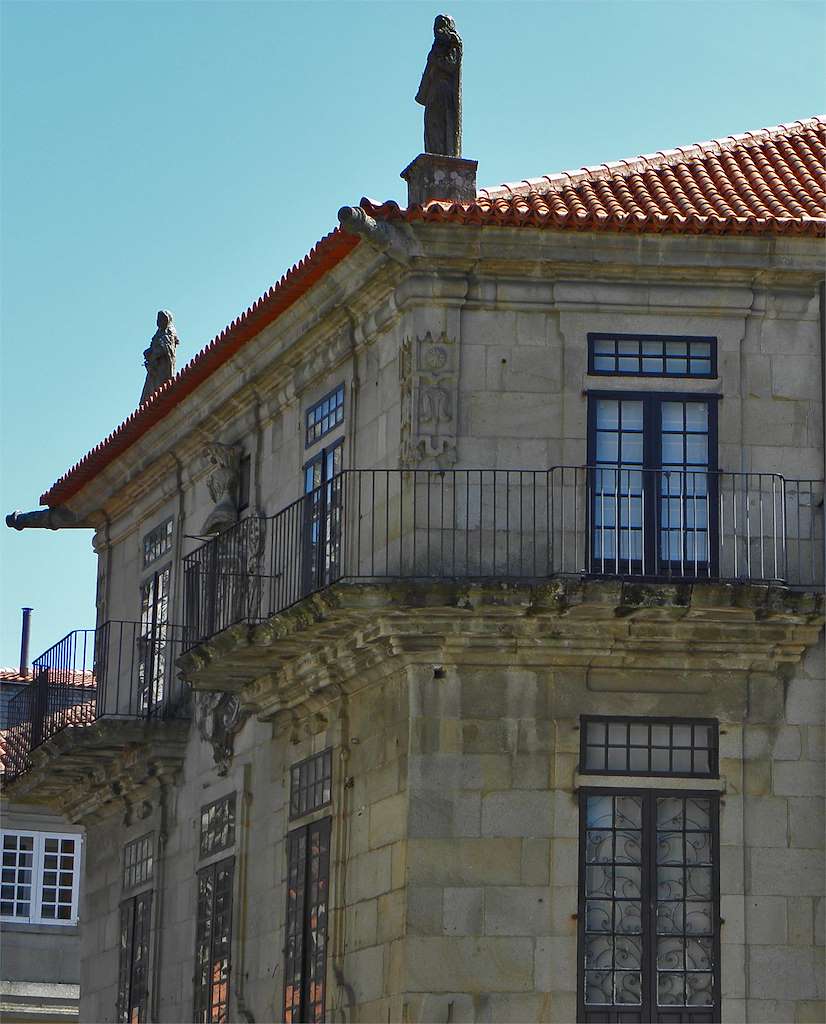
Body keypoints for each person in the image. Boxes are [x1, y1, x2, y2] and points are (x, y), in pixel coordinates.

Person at [415, 14, 462, 157]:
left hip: (444, 90)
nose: (437, 30)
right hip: (433, 93)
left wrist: (435, 59)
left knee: (442, 125)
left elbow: (450, 65)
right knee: (431, 125)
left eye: (440, 25)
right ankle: (433, 152)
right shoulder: (436, 47)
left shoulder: (453, 42)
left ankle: (442, 154)